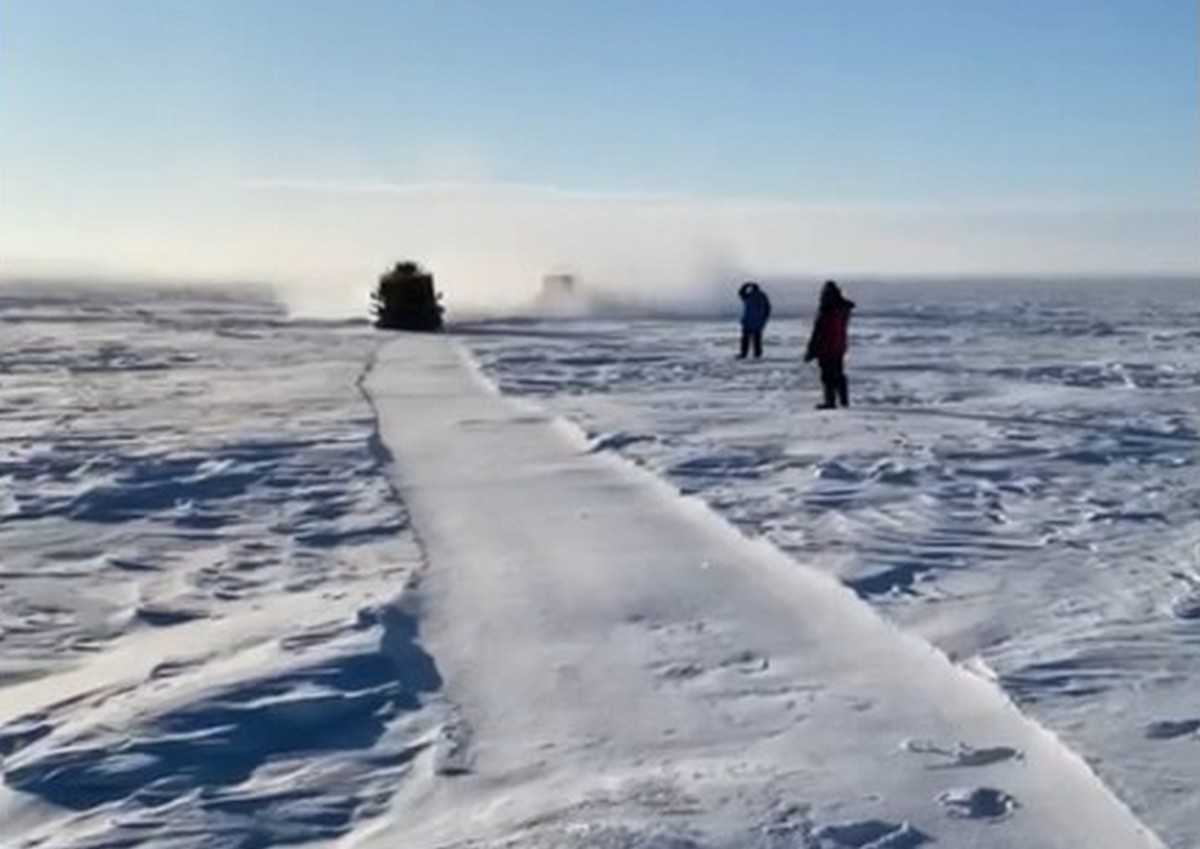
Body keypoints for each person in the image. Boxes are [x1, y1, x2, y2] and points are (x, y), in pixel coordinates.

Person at [804, 280, 856, 408]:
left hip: (827, 347)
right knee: (837, 373)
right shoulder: (842, 309)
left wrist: (811, 351)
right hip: (839, 345)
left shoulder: (827, 310)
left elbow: (819, 332)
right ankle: (843, 400)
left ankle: (830, 401)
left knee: (828, 376)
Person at [737, 281, 771, 359]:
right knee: (757, 339)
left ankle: (744, 354)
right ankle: (757, 354)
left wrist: (745, 285)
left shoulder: (749, 296)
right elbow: (768, 308)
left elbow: (741, 293)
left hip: (748, 321)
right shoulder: (763, 296)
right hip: (758, 322)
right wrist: (764, 319)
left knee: (746, 339)